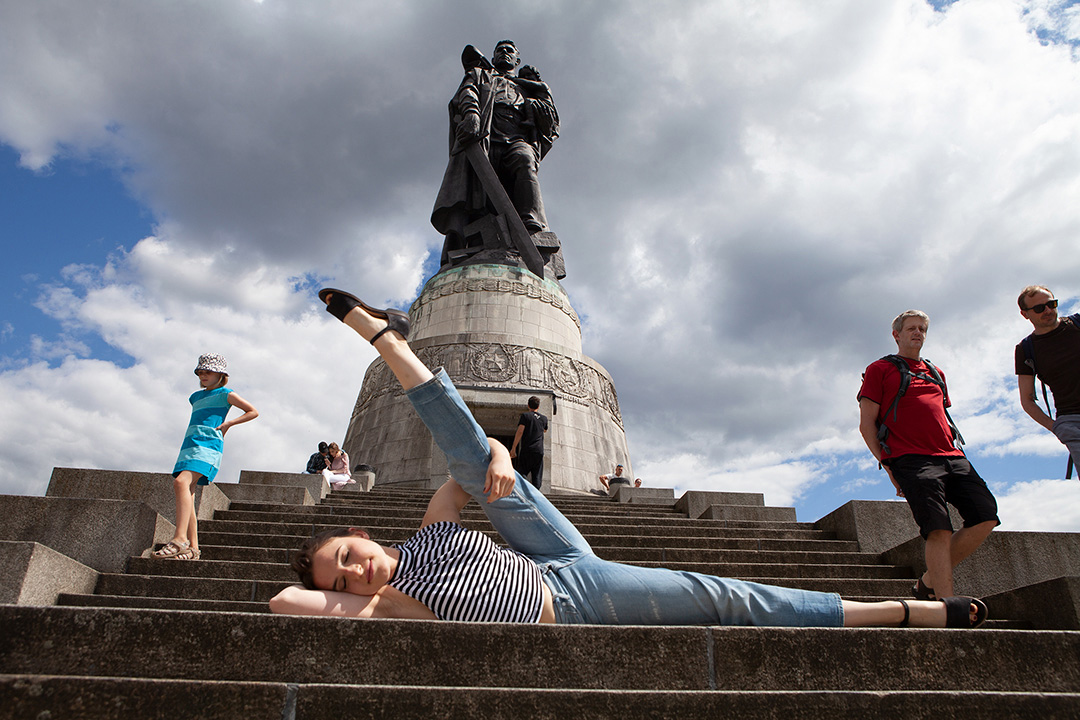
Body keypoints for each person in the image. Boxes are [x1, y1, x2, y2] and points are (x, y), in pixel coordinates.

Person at [266, 288, 987, 630]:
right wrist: (350, 597)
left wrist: (492, 452)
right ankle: (900, 611)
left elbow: (465, 465)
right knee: (724, 598)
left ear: (363, 533)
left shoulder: (424, 535)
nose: (355, 568)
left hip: (545, 546)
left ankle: (390, 339)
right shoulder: (381, 609)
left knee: (468, 452)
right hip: (572, 596)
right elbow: (282, 601)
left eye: (348, 552)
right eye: (344, 575)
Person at [858, 310, 999, 601]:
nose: (918, 333)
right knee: (938, 528)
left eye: (922, 328)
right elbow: (866, 423)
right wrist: (887, 465)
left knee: (985, 515)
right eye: (911, 328)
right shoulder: (879, 369)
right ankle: (946, 605)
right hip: (910, 458)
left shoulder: (936, 372)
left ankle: (927, 582)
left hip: (952, 455)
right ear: (897, 334)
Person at [431, 40, 559, 268]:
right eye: (500, 50)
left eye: (510, 51)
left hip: (516, 136)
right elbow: (466, 92)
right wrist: (472, 113)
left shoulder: (526, 87)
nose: (504, 53)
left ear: (517, 60)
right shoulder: (481, 75)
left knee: (525, 159)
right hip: (485, 136)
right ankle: (479, 240)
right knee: (480, 190)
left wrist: (539, 90)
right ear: (494, 56)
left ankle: (530, 224)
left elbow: (550, 124)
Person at [154, 353, 258, 561]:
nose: (203, 375)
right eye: (201, 372)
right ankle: (193, 548)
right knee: (188, 493)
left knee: (180, 483)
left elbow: (252, 411)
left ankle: (179, 539)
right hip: (189, 445)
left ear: (220, 374)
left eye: (208, 372)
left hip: (208, 446)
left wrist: (228, 424)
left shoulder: (226, 393)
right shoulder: (195, 397)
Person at [1014, 285, 1080, 469]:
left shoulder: (1078, 323)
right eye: (1039, 308)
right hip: (1073, 422)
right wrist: (1057, 427)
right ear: (1025, 314)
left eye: (1051, 304)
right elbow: (1027, 400)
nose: (1048, 310)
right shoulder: (1025, 349)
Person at [509, 395, 547, 490]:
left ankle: (524, 492)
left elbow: (520, 431)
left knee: (522, 473)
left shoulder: (526, 416)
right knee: (537, 476)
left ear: (528, 406)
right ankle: (535, 495)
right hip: (539, 451)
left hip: (527, 449)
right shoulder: (544, 419)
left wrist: (514, 448)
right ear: (538, 406)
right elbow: (544, 430)